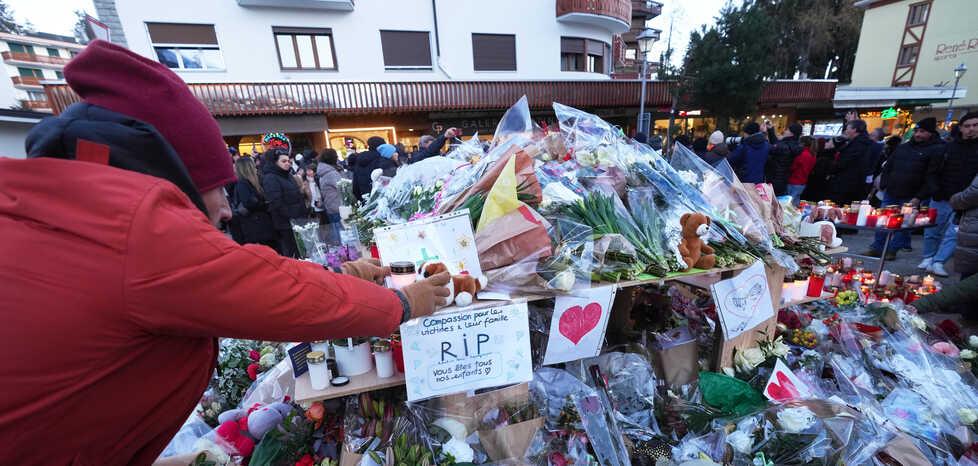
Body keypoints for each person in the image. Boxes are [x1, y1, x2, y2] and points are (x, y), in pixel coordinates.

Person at [0, 40, 451, 465]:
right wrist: (403, 303)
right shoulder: (131, 220)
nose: (226, 208)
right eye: (219, 186)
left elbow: (241, 276)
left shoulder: (67, 201)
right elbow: (273, 291)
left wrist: (346, 273)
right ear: (177, 176)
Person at [865, 118, 945, 260]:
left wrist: (919, 196)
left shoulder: (936, 150)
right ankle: (877, 247)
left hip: (912, 194)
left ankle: (892, 250)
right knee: (883, 220)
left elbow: (932, 176)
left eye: (922, 131)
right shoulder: (904, 147)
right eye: (917, 131)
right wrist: (884, 183)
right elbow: (889, 165)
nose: (918, 134)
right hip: (892, 191)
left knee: (904, 223)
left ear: (930, 133)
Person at [921, 112, 978, 276]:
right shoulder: (947, 148)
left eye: (975, 125)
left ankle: (939, 261)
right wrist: (935, 190)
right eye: (967, 126)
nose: (971, 129)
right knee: (932, 230)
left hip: (967, 201)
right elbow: (932, 171)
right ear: (961, 128)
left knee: (954, 233)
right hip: (942, 197)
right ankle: (928, 257)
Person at [263, 149, 310, 257]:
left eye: (289, 161)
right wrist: (293, 216)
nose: (288, 163)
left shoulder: (287, 175)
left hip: (297, 221)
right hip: (286, 224)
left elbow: (294, 195)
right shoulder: (271, 178)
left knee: (301, 251)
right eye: (283, 161)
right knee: (292, 252)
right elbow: (277, 203)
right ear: (275, 162)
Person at [233, 157, 277, 249]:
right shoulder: (242, 184)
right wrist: (264, 203)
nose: (256, 167)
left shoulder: (255, 181)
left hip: (261, 224)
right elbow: (249, 203)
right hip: (256, 227)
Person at [826, 120, 873, 206]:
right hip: (855, 184)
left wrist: (831, 167)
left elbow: (843, 163)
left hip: (846, 184)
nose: (846, 131)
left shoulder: (857, 145)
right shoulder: (865, 143)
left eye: (848, 128)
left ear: (854, 130)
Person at [352, 136, 396, 200]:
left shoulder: (359, 162)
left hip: (365, 201)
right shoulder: (385, 161)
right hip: (383, 202)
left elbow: (355, 188)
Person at [766, 123, 804, 195]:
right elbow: (776, 144)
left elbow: (773, 148)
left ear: (791, 133)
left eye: (787, 130)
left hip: (774, 178)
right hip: (783, 179)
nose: (785, 131)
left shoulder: (785, 146)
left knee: (770, 201)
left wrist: (762, 135)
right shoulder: (792, 145)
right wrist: (770, 130)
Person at [786, 136, 816, 205]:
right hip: (802, 182)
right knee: (795, 202)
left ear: (802, 143)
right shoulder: (813, 155)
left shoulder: (802, 154)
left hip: (794, 181)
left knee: (788, 204)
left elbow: (793, 167)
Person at [317, 148, 343, 228]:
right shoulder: (331, 173)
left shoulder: (323, 171)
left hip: (330, 206)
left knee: (336, 230)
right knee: (343, 233)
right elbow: (343, 187)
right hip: (338, 207)